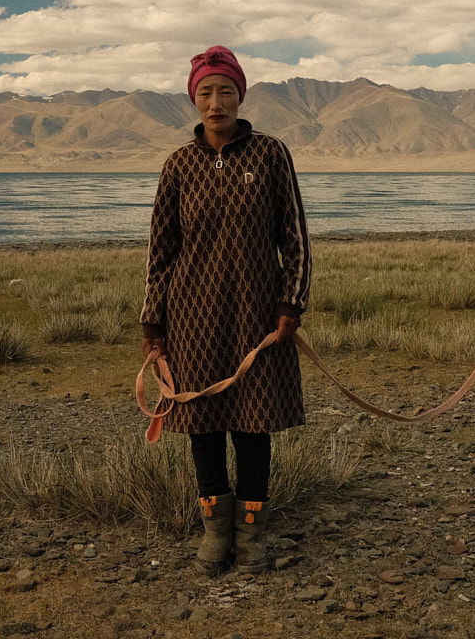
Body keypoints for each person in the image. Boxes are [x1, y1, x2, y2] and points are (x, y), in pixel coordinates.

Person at [140, 45, 311, 576]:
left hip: (258, 314)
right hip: (191, 315)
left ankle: (252, 534)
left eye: (226, 91)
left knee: (254, 426)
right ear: (194, 99)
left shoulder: (271, 154)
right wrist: (153, 320)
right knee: (205, 426)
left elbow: (295, 236)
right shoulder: (178, 164)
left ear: (242, 95)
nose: (216, 103)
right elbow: (160, 249)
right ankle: (216, 533)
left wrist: (292, 302)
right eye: (206, 93)